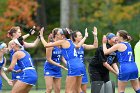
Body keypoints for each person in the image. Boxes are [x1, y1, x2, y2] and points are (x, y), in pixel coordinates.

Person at [39, 27, 88, 93]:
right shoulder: (71, 42)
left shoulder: (63, 42)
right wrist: (85, 37)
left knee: (68, 91)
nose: (58, 35)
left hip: (73, 65)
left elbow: (46, 45)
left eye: (60, 34)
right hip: (80, 64)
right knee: (78, 90)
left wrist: (41, 36)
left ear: (63, 36)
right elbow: (78, 46)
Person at [71, 27, 98, 93]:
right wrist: (85, 37)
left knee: (84, 90)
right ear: (75, 38)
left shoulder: (82, 46)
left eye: (81, 35)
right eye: (79, 35)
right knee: (76, 90)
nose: (81, 37)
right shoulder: (71, 45)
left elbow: (95, 46)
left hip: (82, 69)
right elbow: (77, 46)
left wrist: (95, 36)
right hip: (75, 69)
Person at [44, 28, 67, 93]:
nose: (62, 35)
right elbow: (48, 59)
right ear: (56, 35)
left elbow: (62, 57)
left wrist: (67, 63)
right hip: (49, 68)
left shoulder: (60, 44)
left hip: (57, 69)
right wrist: (59, 65)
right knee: (49, 89)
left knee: (58, 90)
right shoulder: (51, 45)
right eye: (61, 34)